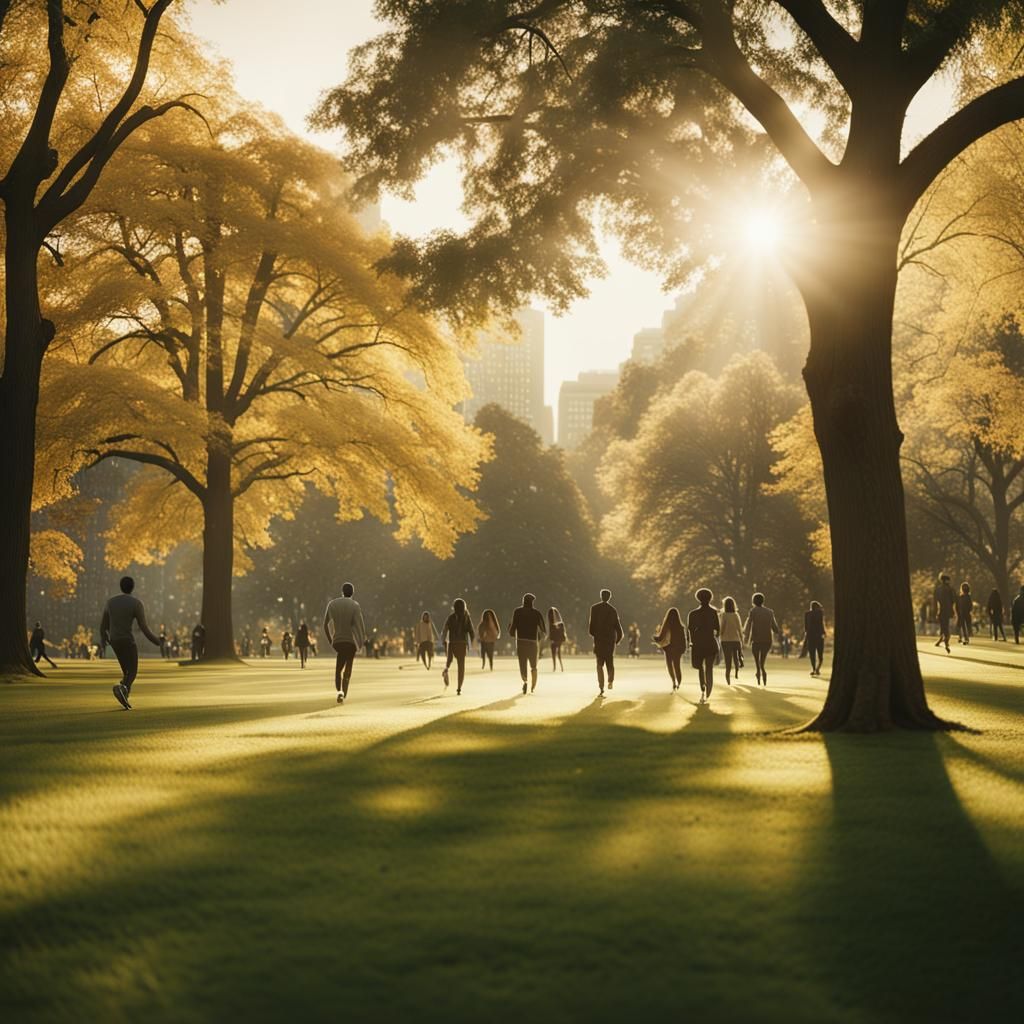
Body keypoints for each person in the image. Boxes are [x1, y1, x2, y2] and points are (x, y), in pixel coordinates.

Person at [100, 576, 162, 709]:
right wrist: (157, 641)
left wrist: (103, 640)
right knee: (133, 670)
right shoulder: (136, 603)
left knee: (126, 672)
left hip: (115, 641)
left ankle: (124, 695)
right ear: (132, 587)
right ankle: (122, 688)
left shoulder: (110, 602)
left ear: (121, 586)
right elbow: (143, 627)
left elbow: (103, 626)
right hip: (127, 640)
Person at [323, 582, 367, 704]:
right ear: (352, 593)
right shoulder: (355, 605)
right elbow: (360, 626)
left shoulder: (332, 604)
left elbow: (325, 624)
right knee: (349, 665)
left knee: (339, 663)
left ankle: (339, 687)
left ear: (342, 591)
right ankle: (344, 690)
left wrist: (331, 640)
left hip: (338, 641)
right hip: (351, 641)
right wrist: (361, 641)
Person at [509, 593, 547, 694]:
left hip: (521, 642)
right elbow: (543, 629)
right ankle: (533, 687)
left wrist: (512, 633)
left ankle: (525, 681)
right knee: (533, 665)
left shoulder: (517, 612)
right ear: (532, 602)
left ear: (523, 601)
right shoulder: (536, 613)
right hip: (532, 642)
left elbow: (513, 626)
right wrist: (541, 638)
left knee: (522, 663)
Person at [587, 589, 623, 695]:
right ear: (609, 597)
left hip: (599, 641)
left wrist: (597, 636)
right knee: (610, 662)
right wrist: (616, 641)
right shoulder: (613, 610)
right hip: (610, 642)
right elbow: (619, 629)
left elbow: (591, 629)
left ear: (600, 596)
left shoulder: (594, 608)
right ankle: (610, 681)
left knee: (599, 664)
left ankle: (601, 687)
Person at [687, 589, 720, 702]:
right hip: (710, 643)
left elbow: (690, 630)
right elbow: (718, 629)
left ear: (698, 598)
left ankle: (703, 687)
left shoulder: (693, 613)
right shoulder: (713, 612)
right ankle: (708, 691)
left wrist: (691, 642)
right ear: (710, 598)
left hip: (697, 644)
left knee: (700, 667)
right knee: (709, 667)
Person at [743, 592, 781, 686]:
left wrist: (745, 635)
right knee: (762, 660)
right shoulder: (770, 612)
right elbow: (775, 627)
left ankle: (758, 671)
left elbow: (748, 624)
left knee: (757, 660)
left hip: (756, 640)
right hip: (767, 640)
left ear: (753, 601)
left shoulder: (753, 611)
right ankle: (762, 670)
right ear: (763, 601)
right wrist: (777, 631)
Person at [442, 598, 475, 694]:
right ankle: (459, 687)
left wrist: (443, 640)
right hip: (462, 644)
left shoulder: (451, 617)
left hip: (452, 643)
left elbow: (445, 629)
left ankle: (446, 670)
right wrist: (473, 642)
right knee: (461, 666)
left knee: (449, 661)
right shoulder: (466, 617)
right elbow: (471, 631)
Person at [652, 607, 687, 690]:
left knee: (670, 665)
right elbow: (683, 639)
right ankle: (679, 683)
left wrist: (654, 638)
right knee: (677, 666)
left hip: (668, 648)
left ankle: (673, 682)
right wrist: (683, 649)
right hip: (678, 649)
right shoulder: (681, 627)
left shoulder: (667, 625)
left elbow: (660, 637)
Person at [719, 597, 742, 684]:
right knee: (736, 658)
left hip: (725, 641)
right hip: (736, 640)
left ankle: (728, 678)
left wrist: (719, 634)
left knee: (728, 661)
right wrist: (741, 640)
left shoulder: (724, 615)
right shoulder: (736, 615)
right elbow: (739, 628)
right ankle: (736, 671)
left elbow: (722, 627)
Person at [933, 574, 956, 653]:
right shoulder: (950, 589)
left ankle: (942, 640)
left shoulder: (937, 589)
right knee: (946, 626)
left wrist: (936, 611)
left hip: (941, 610)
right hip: (948, 610)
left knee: (943, 625)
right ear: (946, 580)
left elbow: (935, 601)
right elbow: (954, 600)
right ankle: (946, 642)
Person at [804, 600, 826, 677]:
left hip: (810, 637)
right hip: (819, 636)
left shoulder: (807, 614)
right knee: (820, 655)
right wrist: (823, 633)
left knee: (812, 654)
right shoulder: (820, 613)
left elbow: (806, 627)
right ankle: (817, 669)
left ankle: (814, 669)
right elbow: (821, 624)